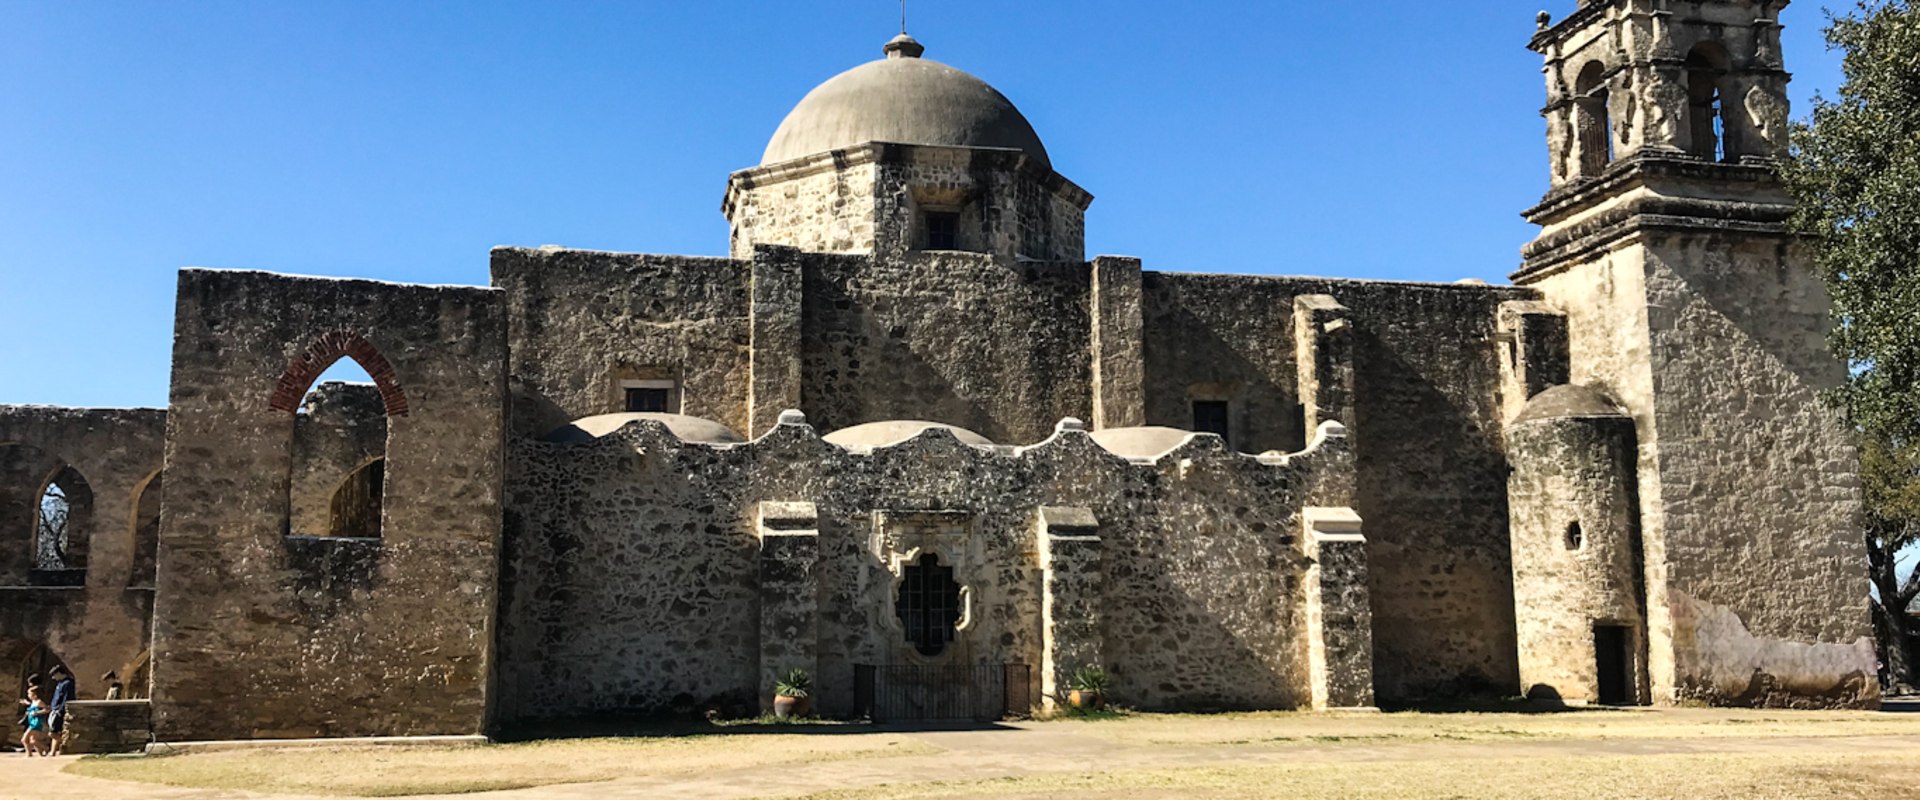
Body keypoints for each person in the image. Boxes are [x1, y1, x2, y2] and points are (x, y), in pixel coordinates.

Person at [46, 665, 74, 756]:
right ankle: (53, 751)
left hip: (59, 711)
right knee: (54, 731)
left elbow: (67, 698)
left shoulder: (68, 683)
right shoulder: (60, 684)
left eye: (54, 675)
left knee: (52, 732)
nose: (53, 678)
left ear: (59, 673)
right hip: (55, 709)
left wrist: (60, 710)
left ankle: (65, 744)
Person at [18, 686, 50, 756]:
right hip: (31, 722)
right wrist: (27, 704)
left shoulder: (39, 702)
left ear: (35, 695)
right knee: (33, 740)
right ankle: (41, 752)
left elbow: (47, 709)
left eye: (29, 694)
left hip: (36, 723)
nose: (28, 695)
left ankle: (31, 753)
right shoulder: (33, 702)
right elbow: (32, 707)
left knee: (24, 739)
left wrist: (37, 713)